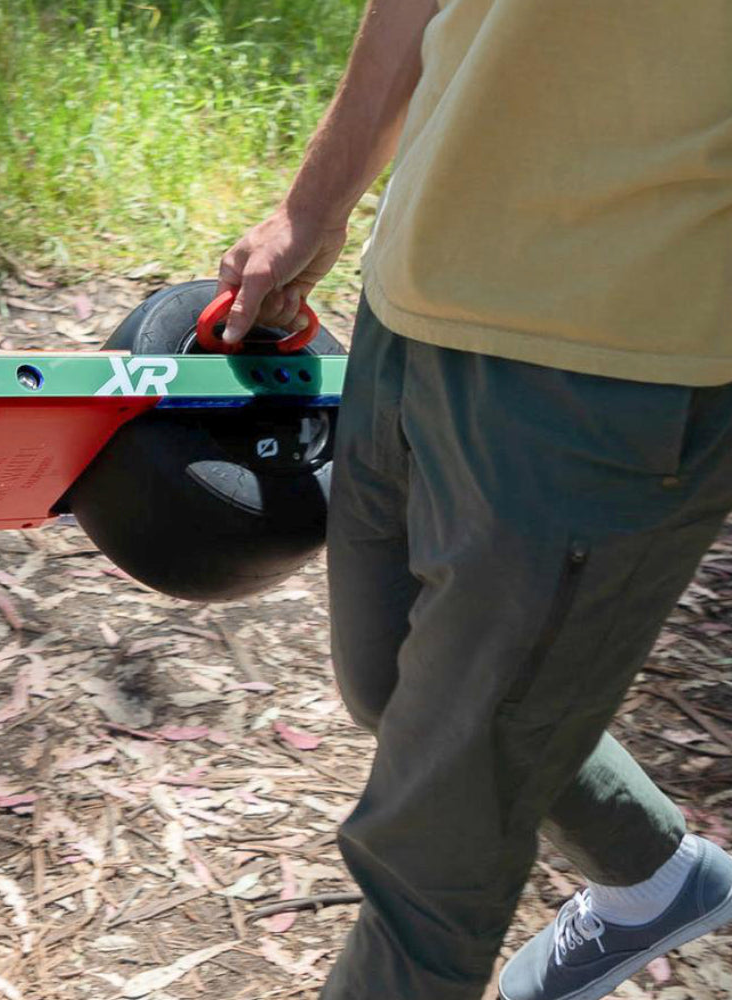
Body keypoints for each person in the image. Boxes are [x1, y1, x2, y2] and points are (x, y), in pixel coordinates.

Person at [216, 2, 732, 999]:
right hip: (418, 292)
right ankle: (655, 879)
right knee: (389, 677)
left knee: (427, 861)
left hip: (615, 357)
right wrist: (313, 204)